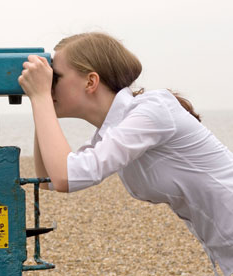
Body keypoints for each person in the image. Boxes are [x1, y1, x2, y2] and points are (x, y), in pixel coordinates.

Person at [18, 32, 233, 275]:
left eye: (54, 77)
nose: (49, 84)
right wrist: (40, 103)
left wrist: (41, 97)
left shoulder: (151, 111)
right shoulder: (113, 130)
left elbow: (67, 176)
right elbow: (50, 180)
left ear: (91, 81)